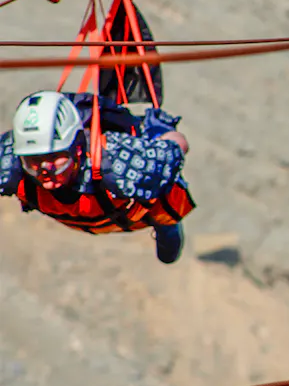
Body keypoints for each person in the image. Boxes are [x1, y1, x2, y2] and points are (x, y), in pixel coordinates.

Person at [0, 90, 196, 264]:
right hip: (91, 217)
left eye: (54, 157)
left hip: (134, 210)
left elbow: (177, 145)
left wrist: (167, 141)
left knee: (166, 191)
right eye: (33, 160)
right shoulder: (9, 165)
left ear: (76, 149)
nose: (45, 169)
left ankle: (166, 226)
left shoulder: (116, 160)